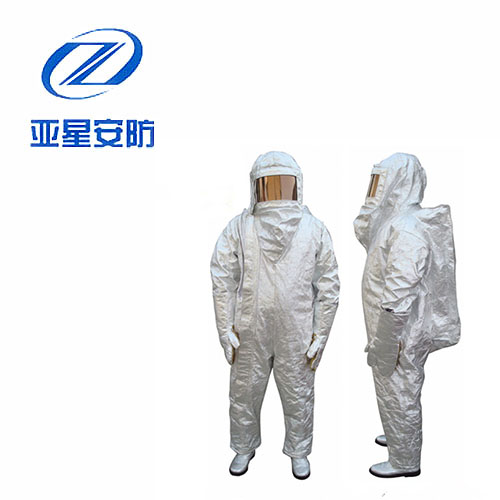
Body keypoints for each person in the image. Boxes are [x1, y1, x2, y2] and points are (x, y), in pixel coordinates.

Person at [211, 151, 340, 479]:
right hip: (250, 328)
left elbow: (329, 284)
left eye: (283, 184)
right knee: (245, 391)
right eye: (269, 184)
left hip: (296, 330)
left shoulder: (314, 229)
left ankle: (299, 450)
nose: (277, 192)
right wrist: (224, 327)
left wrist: (321, 333)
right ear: (255, 187)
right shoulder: (240, 227)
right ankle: (244, 446)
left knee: (298, 392)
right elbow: (222, 277)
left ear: (297, 186)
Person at [354, 153, 460, 477]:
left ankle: (404, 460)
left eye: (381, 182)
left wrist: (386, 341)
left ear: (397, 183)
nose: (375, 190)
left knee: (401, 390)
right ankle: (398, 432)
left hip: (399, 332)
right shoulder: (395, 224)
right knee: (393, 389)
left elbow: (400, 291)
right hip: (393, 329)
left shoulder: (406, 229)